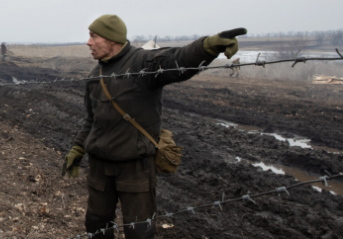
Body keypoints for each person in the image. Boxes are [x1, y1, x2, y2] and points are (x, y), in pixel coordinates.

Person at [63, 15, 243, 239]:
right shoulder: (94, 76)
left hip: (135, 167)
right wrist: (78, 149)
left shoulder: (141, 63)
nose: (88, 42)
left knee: (139, 231)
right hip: (100, 166)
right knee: (96, 225)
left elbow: (177, 60)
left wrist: (207, 47)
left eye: (93, 36)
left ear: (112, 39)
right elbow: (91, 120)